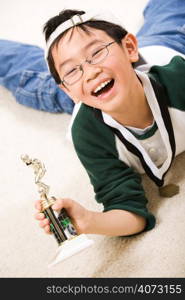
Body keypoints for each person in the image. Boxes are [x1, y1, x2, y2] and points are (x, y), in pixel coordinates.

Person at [1, 0, 185, 237]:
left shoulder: (179, 78)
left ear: (129, 48)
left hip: (168, 44)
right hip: (94, 94)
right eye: (71, 70)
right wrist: (88, 221)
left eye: (96, 52)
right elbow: (129, 212)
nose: (90, 72)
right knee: (36, 79)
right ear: (67, 90)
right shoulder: (87, 132)